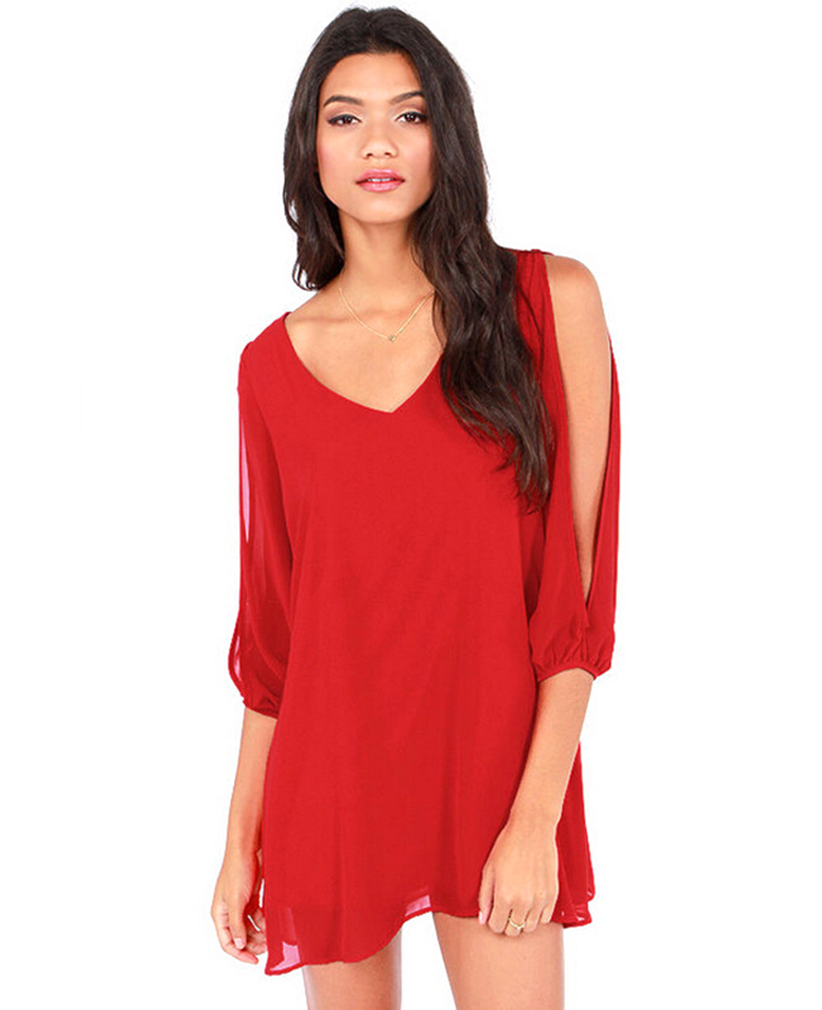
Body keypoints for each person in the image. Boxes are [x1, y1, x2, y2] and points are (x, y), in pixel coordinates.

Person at [210, 7, 621, 1009]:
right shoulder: (270, 367)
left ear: (449, 136)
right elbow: (276, 640)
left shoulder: (548, 301)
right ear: (310, 148)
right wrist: (238, 840)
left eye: (409, 113)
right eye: (345, 118)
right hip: (333, 782)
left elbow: (574, 599)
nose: (379, 144)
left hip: (494, 778)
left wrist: (535, 817)